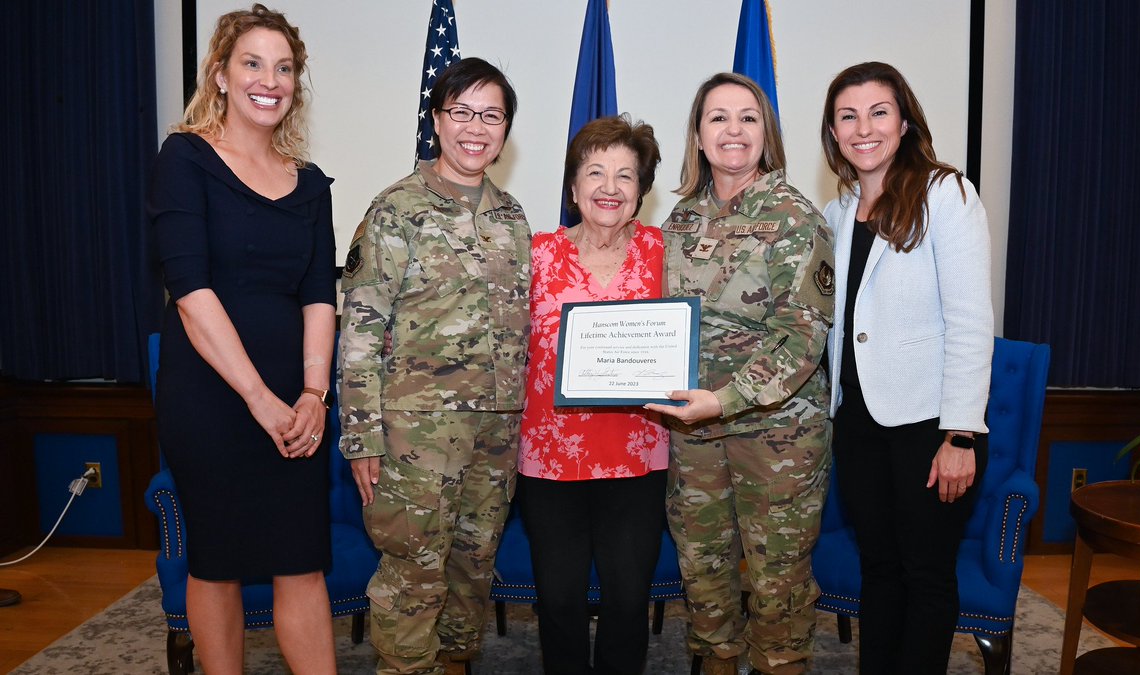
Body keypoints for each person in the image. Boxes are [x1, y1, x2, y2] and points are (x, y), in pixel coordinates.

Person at [146, 4, 336, 674]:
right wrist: (260, 399)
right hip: (211, 396)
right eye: (252, 63)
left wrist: (313, 392)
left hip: (297, 396)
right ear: (221, 75)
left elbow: (319, 295)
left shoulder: (311, 184)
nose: (270, 79)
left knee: (301, 557)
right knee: (218, 560)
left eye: (284, 68)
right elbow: (192, 295)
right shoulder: (186, 158)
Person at [338, 57, 530, 675]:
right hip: (415, 435)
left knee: (473, 569)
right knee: (412, 575)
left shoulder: (512, 217)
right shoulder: (396, 209)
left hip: (497, 431)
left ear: (506, 129)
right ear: (437, 119)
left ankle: (455, 663)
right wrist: (361, 437)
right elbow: (361, 328)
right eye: (461, 112)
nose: (476, 128)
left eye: (491, 115)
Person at [644, 73, 835, 675]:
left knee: (777, 577)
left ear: (766, 134)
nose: (733, 130)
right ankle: (717, 662)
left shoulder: (795, 218)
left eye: (748, 118)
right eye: (718, 118)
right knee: (702, 568)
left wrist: (724, 401)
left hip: (778, 434)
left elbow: (802, 338)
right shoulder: (680, 220)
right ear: (698, 137)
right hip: (693, 431)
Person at [819, 61, 993, 674]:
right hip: (859, 426)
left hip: (930, 426)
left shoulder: (947, 193)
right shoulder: (838, 214)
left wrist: (961, 434)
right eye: (848, 116)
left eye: (878, 112)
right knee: (879, 570)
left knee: (926, 575)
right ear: (833, 133)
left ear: (905, 121)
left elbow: (971, 322)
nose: (863, 127)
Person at [518, 114, 667, 675]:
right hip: (549, 460)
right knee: (558, 600)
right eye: (595, 173)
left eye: (625, 176)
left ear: (641, 191)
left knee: (628, 600)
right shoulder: (534, 255)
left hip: (636, 457)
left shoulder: (665, 254)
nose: (610, 188)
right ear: (573, 187)